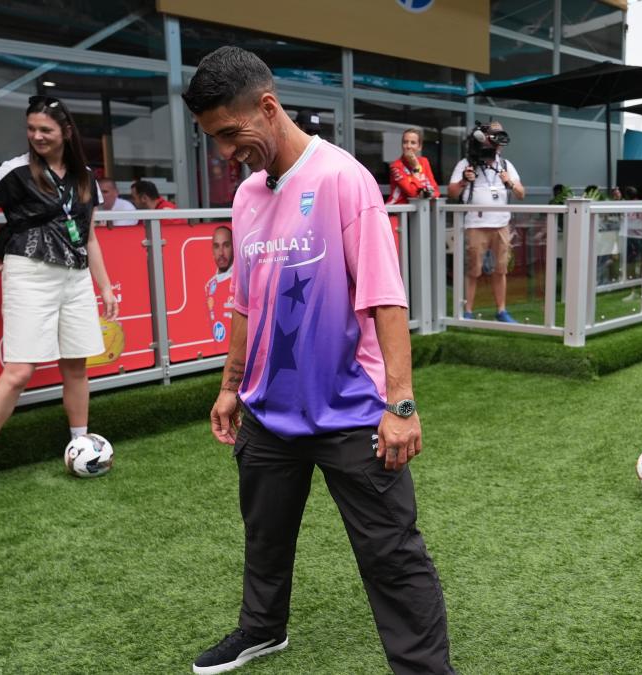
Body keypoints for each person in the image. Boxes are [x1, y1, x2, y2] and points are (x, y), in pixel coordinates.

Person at [182, 46, 453, 674]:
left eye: (230, 134)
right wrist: (230, 386)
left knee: (392, 553)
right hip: (268, 409)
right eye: (213, 138)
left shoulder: (342, 179)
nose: (225, 152)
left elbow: (386, 298)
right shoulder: (246, 196)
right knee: (265, 535)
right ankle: (262, 629)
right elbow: (245, 303)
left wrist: (401, 404)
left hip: (351, 409)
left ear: (268, 107)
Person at [0, 95, 119, 495]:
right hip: (29, 275)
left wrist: (104, 285)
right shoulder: (14, 170)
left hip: (76, 278)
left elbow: (89, 236)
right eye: (31, 129)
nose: (37, 136)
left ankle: (79, 445)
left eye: (45, 129)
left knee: (77, 366)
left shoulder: (85, 177)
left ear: (66, 131)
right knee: (19, 371)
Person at [447, 120, 524, 323]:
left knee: (501, 269)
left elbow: (521, 193)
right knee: (473, 270)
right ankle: (468, 311)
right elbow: (452, 192)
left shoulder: (505, 165)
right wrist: (464, 180)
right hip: (475, 225)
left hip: (501, 224)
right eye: (492, 136)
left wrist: (509, 182)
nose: (494, 142)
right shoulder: (466, 163)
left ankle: (501, 310)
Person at [386, 127, 439, 242]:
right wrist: (416, 168)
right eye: (405, 142)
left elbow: (435, 191)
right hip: (396, 215)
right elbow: (413, 193)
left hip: (418, 215)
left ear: (420, 147)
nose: (408, 146)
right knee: (398, 252)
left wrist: (425, 191)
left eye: (413, 143)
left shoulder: (424, 162)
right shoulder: (396, 166)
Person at [205, 225, 234, 342]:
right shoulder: (209, 286)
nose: (221, 252)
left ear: (234, 247)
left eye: (226, 245)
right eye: (216, 246)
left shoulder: (243, 280)